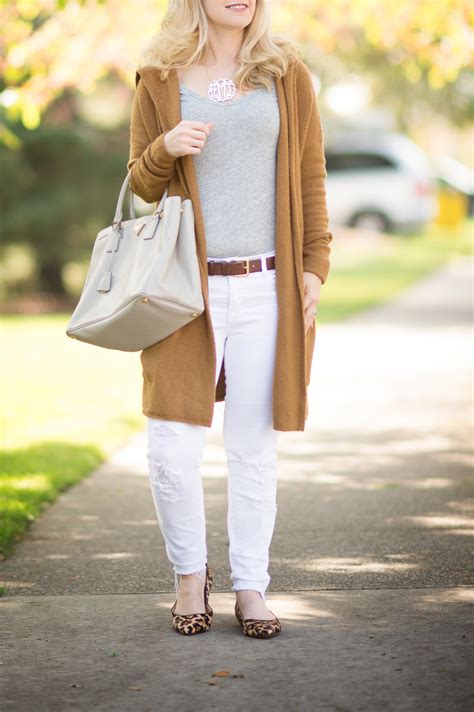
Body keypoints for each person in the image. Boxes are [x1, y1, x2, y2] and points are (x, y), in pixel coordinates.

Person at [127, 0, 333, 638]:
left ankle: (251, 587)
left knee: (252, 448)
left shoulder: (284, 70)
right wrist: (166, 147)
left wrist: (314, 263)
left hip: (266, 286)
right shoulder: (159, 75)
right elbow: (139, 184)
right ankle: (191, 578)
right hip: (184, 293)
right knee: (170, 448)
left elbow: (311, 174)